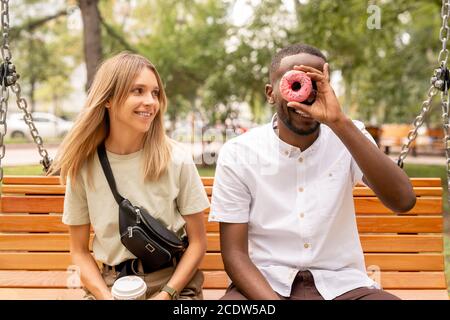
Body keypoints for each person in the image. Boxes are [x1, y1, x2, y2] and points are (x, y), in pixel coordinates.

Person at [209, 43, 416, 300]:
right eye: (295, 84)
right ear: (270, 93)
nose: (306, 94)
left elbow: (403, 200)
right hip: (264, 286)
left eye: (315, 84)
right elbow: (234, 255)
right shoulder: (239, 152)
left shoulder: (349, 135)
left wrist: (339, 121)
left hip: (342, 286)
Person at [48, 52, 210, 300]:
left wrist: (166, 294)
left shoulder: (176, 158)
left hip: (171, 282)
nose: (150, 102)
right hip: (110, 286)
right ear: (108, 99)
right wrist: (105, 296)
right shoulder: (83, 166)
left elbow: (198, 243)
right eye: (138, 91)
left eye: (155, 93)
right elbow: (79, 251)